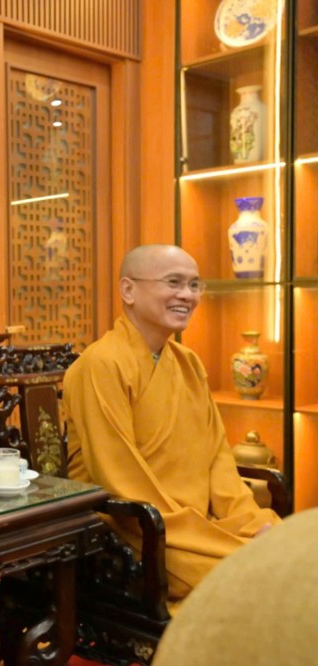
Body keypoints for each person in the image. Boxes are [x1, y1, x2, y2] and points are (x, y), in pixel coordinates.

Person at [64, 244, 279, 605]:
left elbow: (217, 460)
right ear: (128, 290)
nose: (187, 295)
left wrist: (250, 522)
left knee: (292, 549)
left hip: (201, 525)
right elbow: (119, 479)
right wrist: (207, 538)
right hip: (140, 530)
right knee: (262, 577)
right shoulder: (100, 365)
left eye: (194, 285)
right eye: (174, 282)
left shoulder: (189, 363)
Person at [152, 508, 318, 665]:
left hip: (227, 533)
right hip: (172, 542)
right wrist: (249, 548)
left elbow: (236, 501)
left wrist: (259, 528)